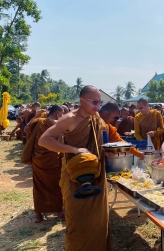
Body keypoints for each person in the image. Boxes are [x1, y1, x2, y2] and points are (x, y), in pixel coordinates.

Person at [39, 86, 111, 251]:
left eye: (100, 102)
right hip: (75, 178)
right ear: (82, 100)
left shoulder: (97, 117)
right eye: (94, 102)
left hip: (97, 176)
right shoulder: (69, 119)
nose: (97, 106)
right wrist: (74, 149)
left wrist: (108, 152)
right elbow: (44, 140)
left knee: (99, 221)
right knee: (78, 221)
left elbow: (101, 142)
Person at [22, 105, 64, 223]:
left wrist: (31, 122)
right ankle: (60, 213)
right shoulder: (58, 125)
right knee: (56, 186)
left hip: (38, 158)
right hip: (52, 160)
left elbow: (28, 129)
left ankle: (38, 214)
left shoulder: (37, 122)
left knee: (38, 186)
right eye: (62, 113)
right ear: (57, 113)